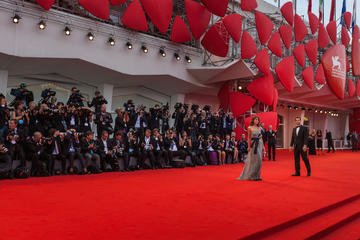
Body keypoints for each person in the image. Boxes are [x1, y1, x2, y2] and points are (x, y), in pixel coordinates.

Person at [237, 116, 265, 181]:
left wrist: (263, 146)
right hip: (253, 145)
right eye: (256, 119)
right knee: (253, 160)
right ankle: (252, 176)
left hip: (259, 144)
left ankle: (257, 176)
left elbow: (261, 138)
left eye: (258, 119)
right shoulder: (250, 128)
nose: (257, 120)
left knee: (259, 160)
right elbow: (249, 138)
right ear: (253, 120)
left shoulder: (260, 128)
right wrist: (249, 146)